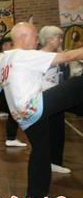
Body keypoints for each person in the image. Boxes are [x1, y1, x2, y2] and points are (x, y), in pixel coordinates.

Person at [0, 22, 83, 198]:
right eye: (34, 37)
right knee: (78, 84)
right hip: (33, 107)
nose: (36, 42)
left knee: (41, 150)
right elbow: (68, 56)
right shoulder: (25, 55)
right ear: (23, 38)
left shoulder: (2, 60)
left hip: (22, 117)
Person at [39, 26, 70, 173]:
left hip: (55, 96)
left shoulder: (54, 55)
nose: (61, 40)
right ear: (50, 39)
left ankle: (55, 161)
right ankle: (51, 162)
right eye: (59, 37)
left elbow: (62, 74)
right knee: (51, 131)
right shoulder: (41, 56)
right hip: (46, 98)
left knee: (57, 130)